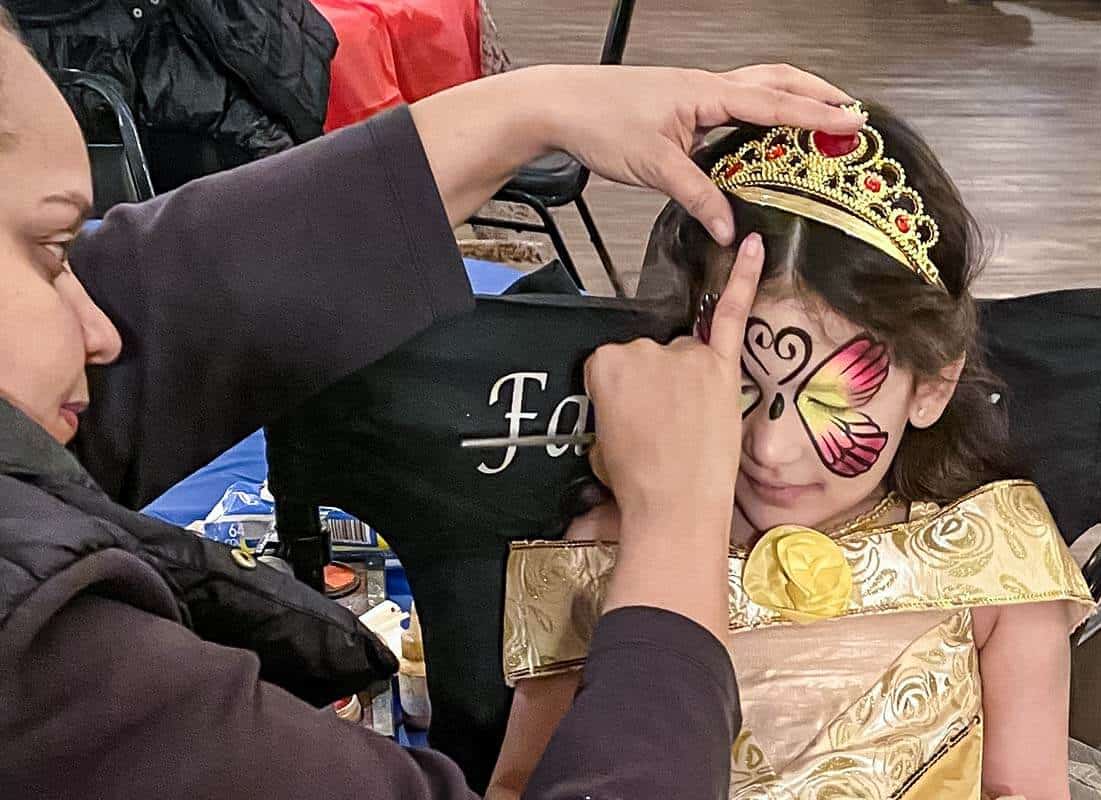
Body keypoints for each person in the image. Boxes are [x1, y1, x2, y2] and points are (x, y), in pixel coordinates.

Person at [0, 7, 871, 798]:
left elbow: (169, 305)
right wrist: (676, 525)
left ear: (935, 385)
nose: (99, 332)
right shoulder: (44, 665)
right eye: (48, 251)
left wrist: (527, 110)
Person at [489, 106, 1101, 800]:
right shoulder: (610, 555)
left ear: (931, 385)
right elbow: (521, 786)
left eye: (833, 402)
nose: (771, 446)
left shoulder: (997, 557)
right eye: (740, 383)